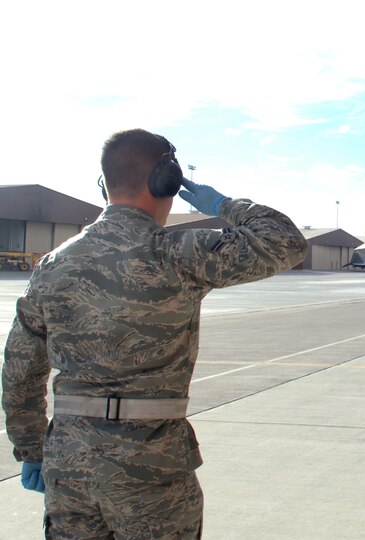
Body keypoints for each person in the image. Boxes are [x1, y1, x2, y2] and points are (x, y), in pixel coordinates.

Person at [2, 129, 307, 538]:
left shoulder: (53, 264)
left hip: (68, 465)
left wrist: (31, 448)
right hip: (150, 466)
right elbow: (285, 241)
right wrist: (223, 205)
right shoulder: (174, 253)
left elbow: (20, 370)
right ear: (166, 181)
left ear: (104, 184)